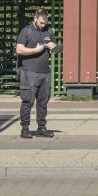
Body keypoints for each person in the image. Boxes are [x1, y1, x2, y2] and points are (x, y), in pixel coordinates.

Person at [15, 8, 58, 139]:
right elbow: (19, 50)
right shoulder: (26, 31)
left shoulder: (49, 30)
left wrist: (54, 46)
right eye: (40, 23)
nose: (42, 25)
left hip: (45, 73)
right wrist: (35, 50)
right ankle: (25, 128)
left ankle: (41, 128)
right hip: (29, 72)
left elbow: (56, 49)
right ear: (35, 19)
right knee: (28, 101)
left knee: (43, 102)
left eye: (44, 23)